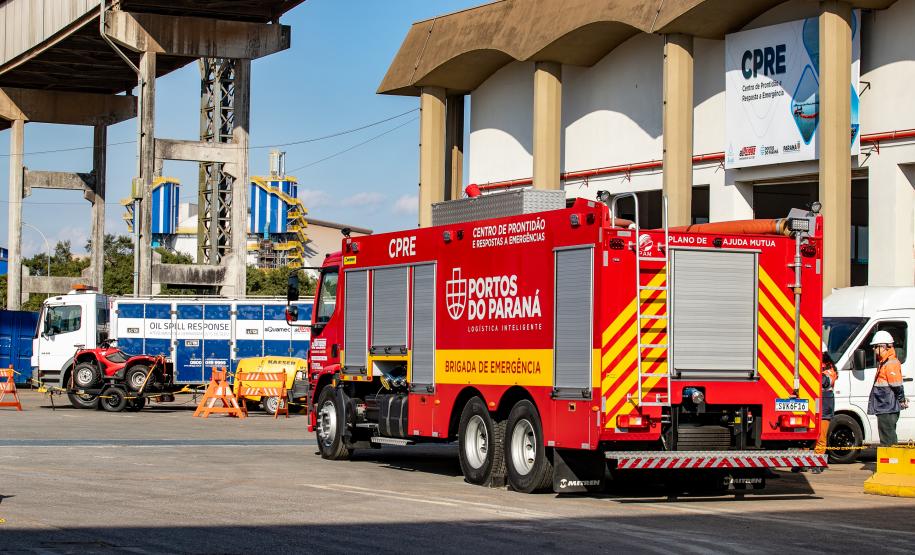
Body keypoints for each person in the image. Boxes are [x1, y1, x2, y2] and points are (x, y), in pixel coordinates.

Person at [867, 330, 908, 446]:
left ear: (884, 347)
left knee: (887, 439)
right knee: (886, 437)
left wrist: (902, 399)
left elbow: (897, 385)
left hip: (887, 407)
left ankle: (891, 457)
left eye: (876, 346)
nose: (873, 349)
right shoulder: (884, 362)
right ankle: (890, 456)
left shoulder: (890, 363)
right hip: (884, 406)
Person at [812, 344, 838, 473]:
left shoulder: (829, 368)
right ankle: (803, 462)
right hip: (812, 404)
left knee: (821, 436)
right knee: (807, 435)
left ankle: (818, 463)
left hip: (825, 404)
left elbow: (826, 382)